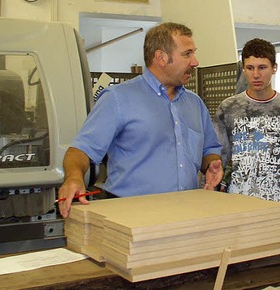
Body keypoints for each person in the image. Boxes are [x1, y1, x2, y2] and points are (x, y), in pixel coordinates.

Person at [57, 22, 223, 218]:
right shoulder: (118, 98)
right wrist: (74, 178)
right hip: (130, 214)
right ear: (161, 57)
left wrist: (212, 164)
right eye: (187, 54)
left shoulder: (194, 104)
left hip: (187, 212)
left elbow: (209, 149)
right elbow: (81, 150)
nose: (195, 62)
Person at [213, 38, 280, 202]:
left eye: (262, 67)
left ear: (274, 68)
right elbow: (219, 156)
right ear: (243, 69)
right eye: (250, 68)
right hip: (237, 199)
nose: (256, 74)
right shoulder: (228, 108)